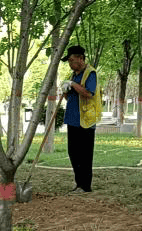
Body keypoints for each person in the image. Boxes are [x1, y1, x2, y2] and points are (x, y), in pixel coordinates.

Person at [60, 45, 102, 194]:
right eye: (69, 62)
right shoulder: (74, 75)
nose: (70, 64)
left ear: (81, 58)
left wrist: (73, 85)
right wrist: (65, 90)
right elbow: (70, 97)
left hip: (86, 120)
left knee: (84, 155)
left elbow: (88, 93)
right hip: (72, 119)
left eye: (72, 60)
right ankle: (79, 184)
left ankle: (85, 186)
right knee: (73, 153)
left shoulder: (90, 73)